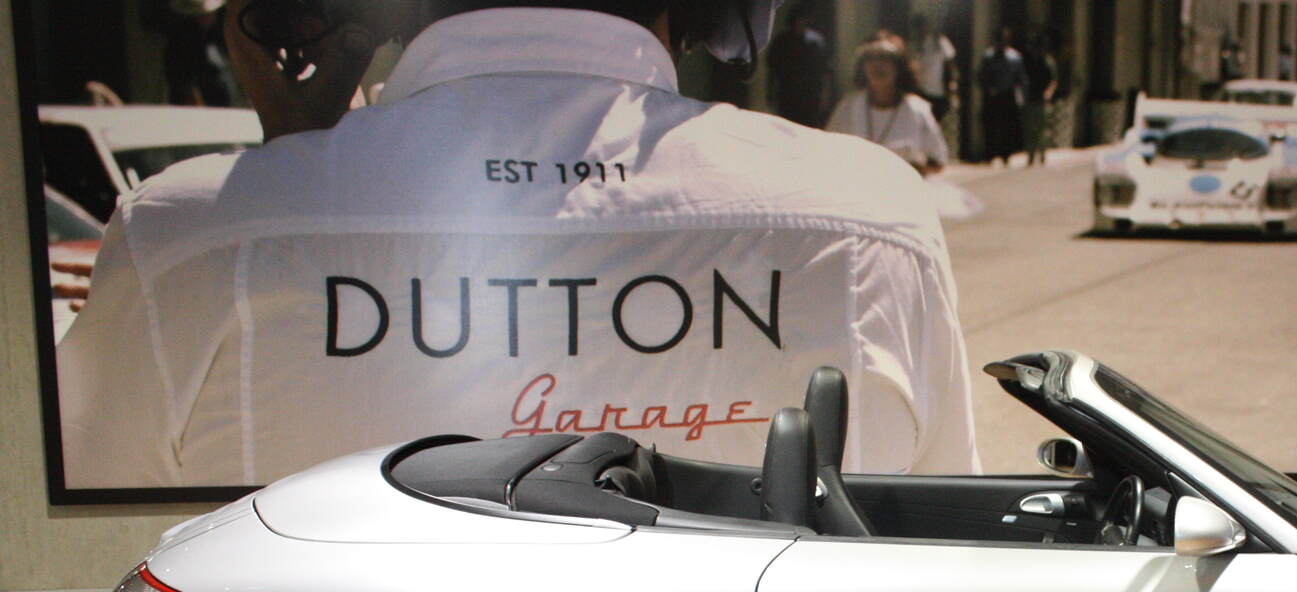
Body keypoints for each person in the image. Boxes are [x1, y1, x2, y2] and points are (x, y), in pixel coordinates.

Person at [55, 0, 979, 491]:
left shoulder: (183, 239)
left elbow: (118, 563)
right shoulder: (873, 220)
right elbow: (937, 550)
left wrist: (290, 179)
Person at [826, 34, 947, 177]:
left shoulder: (917, 110)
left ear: (899, 66)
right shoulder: (848, 107)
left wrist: (915, 169)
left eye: (885, 58)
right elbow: (828, 154)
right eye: (871, 58)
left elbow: (938, 161)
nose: (878, 65)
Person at [764, 1, 832, 128]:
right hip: (788, 95)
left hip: (811, 96)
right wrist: (770, 94)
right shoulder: (782, 42)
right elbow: (772, 70)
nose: (804, 22)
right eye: (801, 19)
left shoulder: (815, 41)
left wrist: (825, 95)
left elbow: (824, 71)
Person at [977, 25, 1023, 166]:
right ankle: (989, 153)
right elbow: (981, 76)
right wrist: (988, 88)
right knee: (990, 125)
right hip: (992, 95)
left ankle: (1006, 154)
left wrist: (1019, 95)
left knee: (1007, 126)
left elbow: (1019, 78)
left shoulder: (1015, 57)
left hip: (1008, 95)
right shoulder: (988, 56)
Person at [907, 13, 956, 122]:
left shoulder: (939, 42)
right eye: (917, 27)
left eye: (922, 26)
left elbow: (950, 64)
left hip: (937, 91)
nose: (920, 30)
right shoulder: (912, 45)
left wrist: (952, 85)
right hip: (919, 92)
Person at [1019, 26, 1055, 167]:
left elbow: (1053, 80)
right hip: (1030, 97)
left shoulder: (1048, 62)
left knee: (1041, 129)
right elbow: (1022, 78)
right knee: (1029, 129)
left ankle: (1042, 153)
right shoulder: (1028, 62)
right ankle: (1031, 155)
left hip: (1041, 99)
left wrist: (1048, 92)